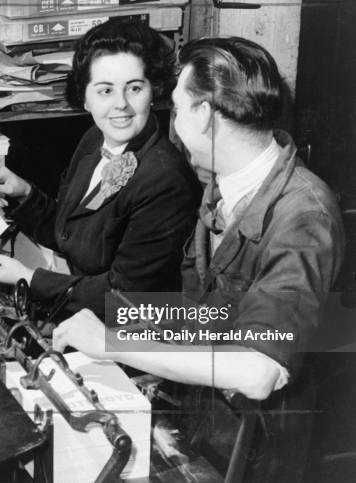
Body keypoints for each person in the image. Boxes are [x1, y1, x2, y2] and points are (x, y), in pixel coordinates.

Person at [52, 37, 345, 480]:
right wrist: (117, 321)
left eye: (177, 105)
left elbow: (258, 370)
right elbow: (200, 313)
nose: (172, 119)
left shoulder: (304, 216)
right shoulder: (223, 185)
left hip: (256, 447)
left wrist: (112, 341)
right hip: (200, 419)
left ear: (205, 115)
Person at [0, 19, 201, 319]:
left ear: (154, 90)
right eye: (105, 91)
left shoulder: (166, 180)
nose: (120, 105)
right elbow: (73, 234)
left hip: (130, 333)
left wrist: (29, 278)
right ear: (85, 97)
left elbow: (125, 299)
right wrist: (24, 194)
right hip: (83, 310)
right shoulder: (94, 139)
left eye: (134, 88)